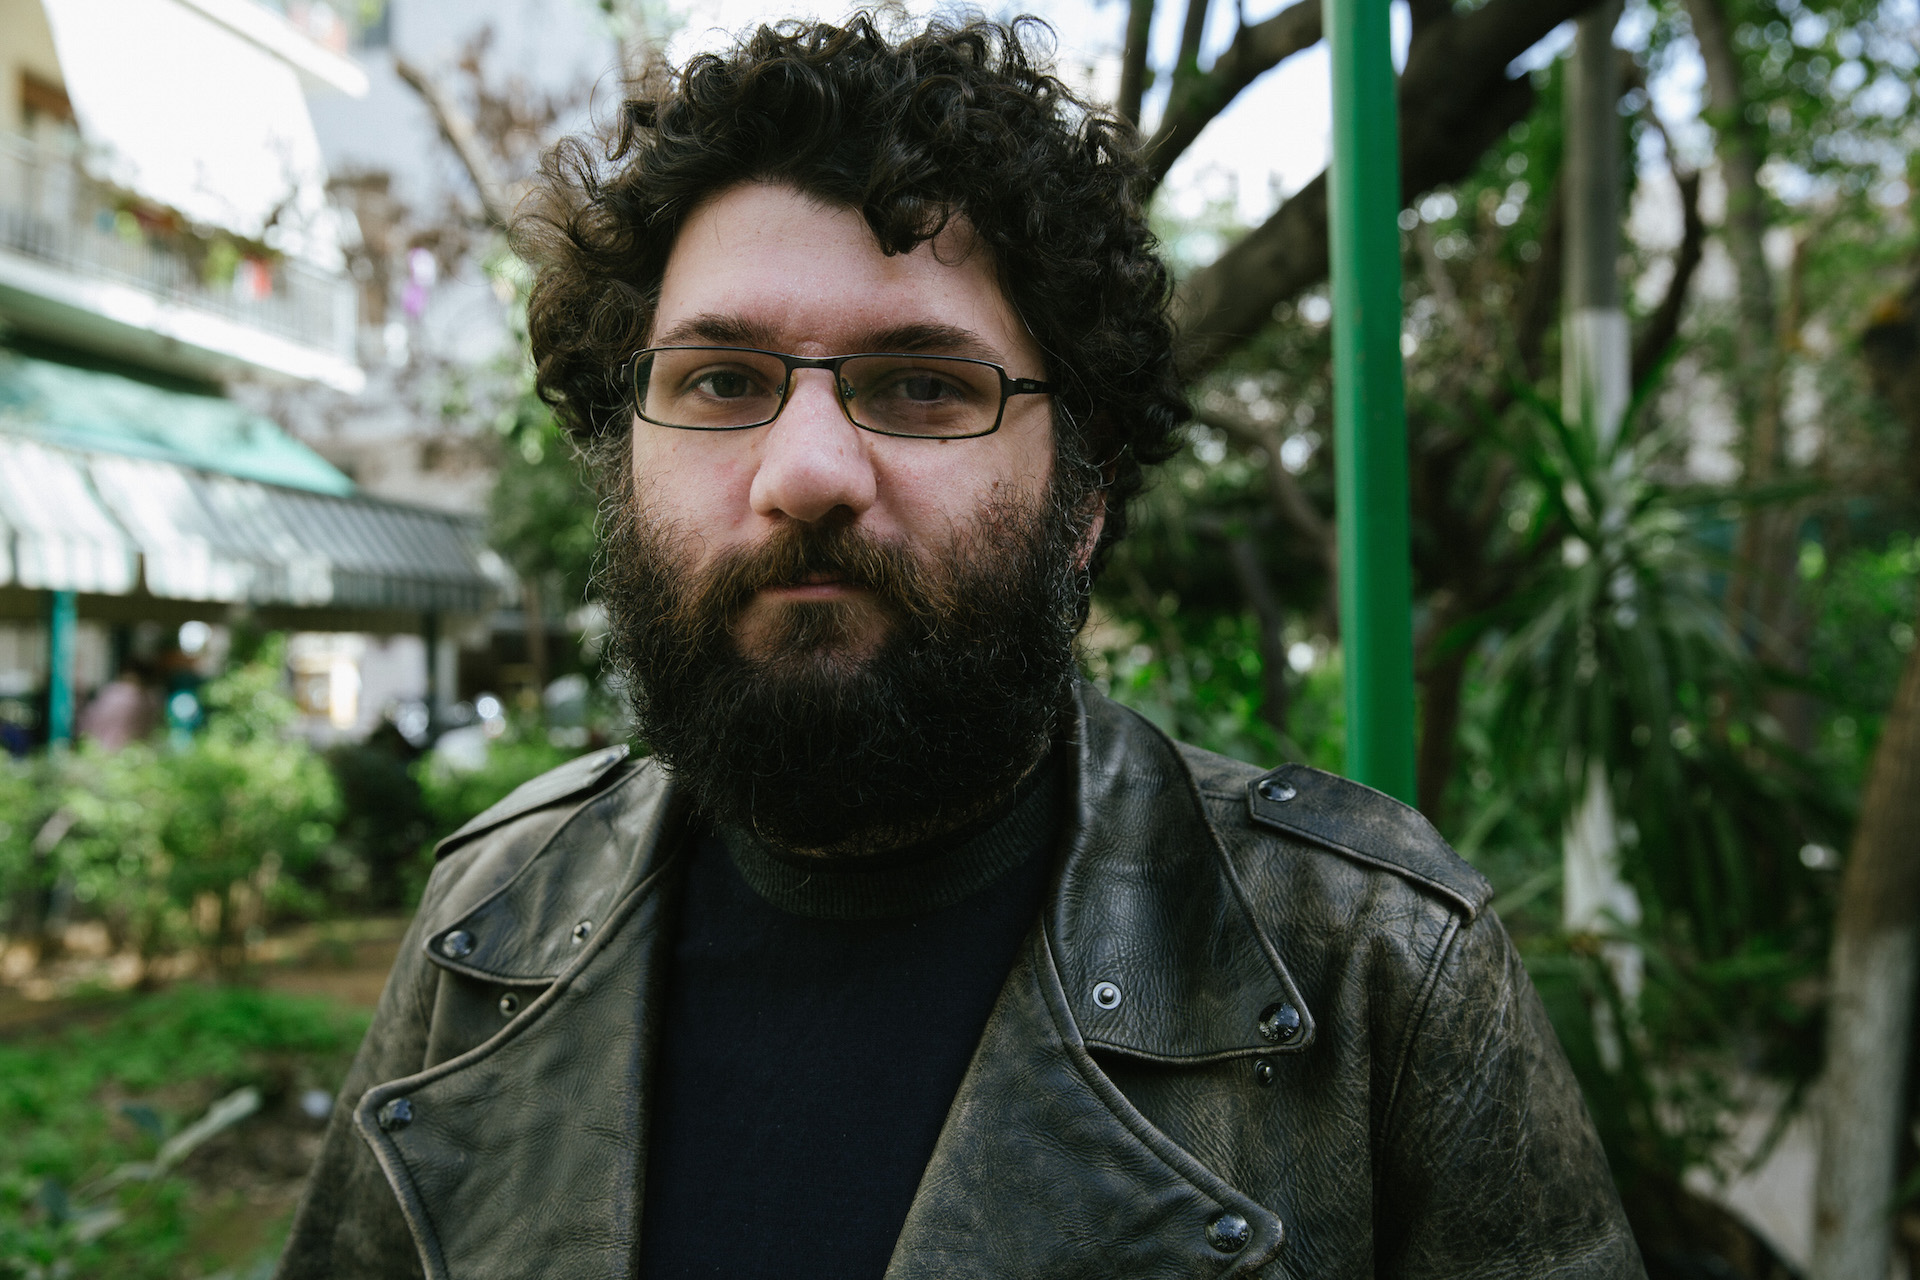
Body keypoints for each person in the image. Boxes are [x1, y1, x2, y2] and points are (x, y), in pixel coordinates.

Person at [277, 16, 1643, 1279]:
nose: (805, 473)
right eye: (722, 382)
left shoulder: (1373, 964)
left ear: (1083, 497)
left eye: (924, 385)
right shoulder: (486, 925)